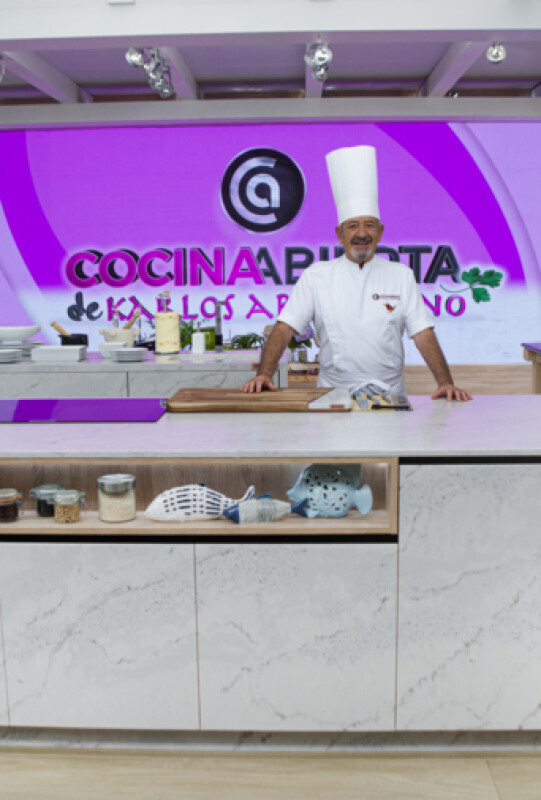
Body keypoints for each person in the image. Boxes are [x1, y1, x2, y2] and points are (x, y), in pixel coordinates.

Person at [242, 145, 471, 402]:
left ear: (380, 232)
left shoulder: (401, 276)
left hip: (389, 396)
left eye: (369, 225)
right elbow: (285, 328)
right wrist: (265, 374)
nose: (362, 234)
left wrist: (445, 382)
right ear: (339, 234)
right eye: (353, 226)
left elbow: (423, 333)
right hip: (333, 394)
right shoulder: (316, 277)